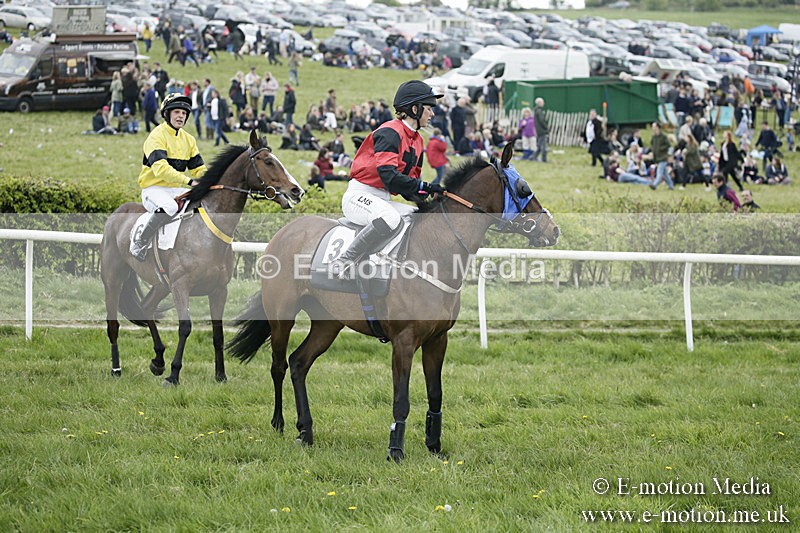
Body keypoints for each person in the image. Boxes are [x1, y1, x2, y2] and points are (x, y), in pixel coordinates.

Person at [328, 80, 445, 278]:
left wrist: (430, 197)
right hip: (358, 197)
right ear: (415, 109)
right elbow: (389, 177)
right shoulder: (390, 132)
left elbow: (410, 188)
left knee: (417, 217)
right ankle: (345, 261)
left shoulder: (418, 140)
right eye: (429, 108)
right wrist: (425, 186)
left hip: (381, 199)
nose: (432, 114)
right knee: (390, 218)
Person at [130, 94, 206, 261]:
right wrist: (189, 181)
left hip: (175, 189)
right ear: (167, 114)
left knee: (201, 203)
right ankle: (141, 242)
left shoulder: (189, 140)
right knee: (170, 207)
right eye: (177, 112)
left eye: (184, 113)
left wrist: (210, 180)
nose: (181, 116)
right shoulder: (156, 136)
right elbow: (161, 170)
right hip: (153, 189)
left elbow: (198, 169)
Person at [649, 122, 674, 190]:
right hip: (657, 157)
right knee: (665, 173)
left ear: (657, 127)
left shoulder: (663, 137)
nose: (652, 128)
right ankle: (671, 185)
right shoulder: (653, 137)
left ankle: (654, 185)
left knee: (659, 172)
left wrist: (661, 149)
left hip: (663, 157)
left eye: (653, 126)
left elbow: (668, 145)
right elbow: (652, 146)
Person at [533, 97, 549, 162]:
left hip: (538, 131)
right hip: (542, 131)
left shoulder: (536, 110)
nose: (543, 103)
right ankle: (544, 159)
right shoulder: (539, 111)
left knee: (539, 146)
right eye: (542, 102)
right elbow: (542, 120)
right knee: (544, 147)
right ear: (539, 103)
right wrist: (546, 128)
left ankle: (533, 157)